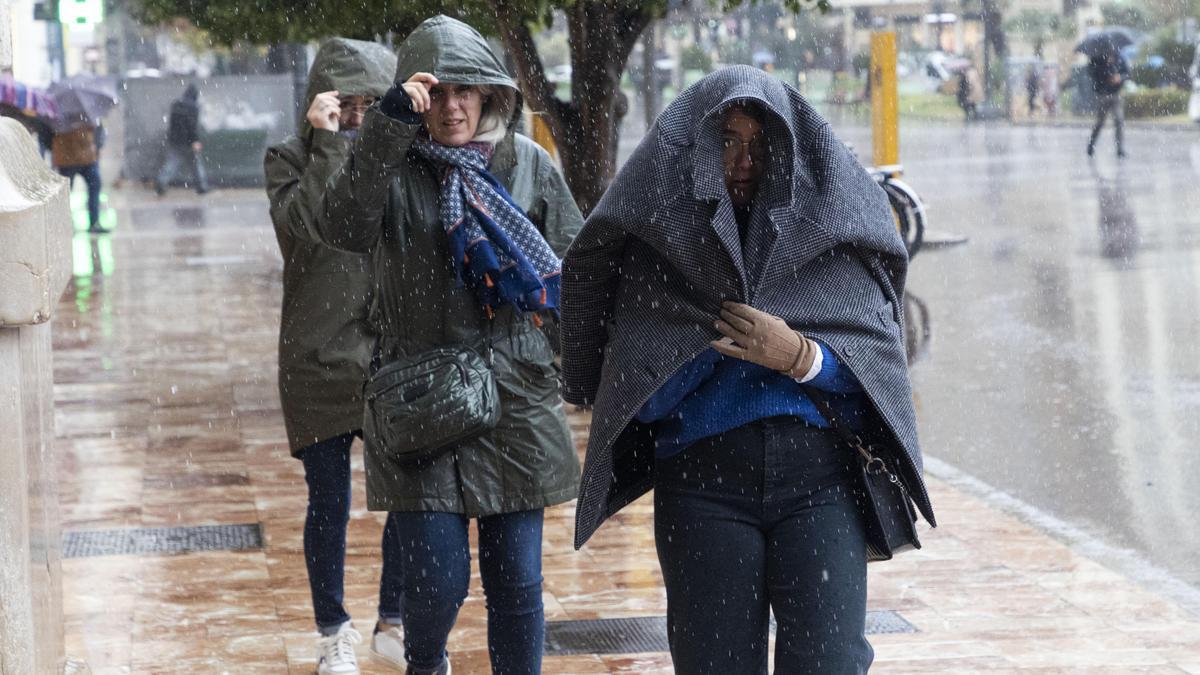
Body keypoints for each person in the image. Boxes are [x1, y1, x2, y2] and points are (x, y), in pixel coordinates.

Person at [561, 66, 935, 674]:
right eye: (728, 141)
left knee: (830, 662)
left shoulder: (828, 233)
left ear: (787, 149)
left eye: (760, 144)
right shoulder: (661, 245)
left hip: (821, 482)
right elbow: (635, 395)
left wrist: (799, 356)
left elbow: (875, 362)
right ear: (699, 150)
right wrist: (708, 342)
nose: (743, 160)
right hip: (703, 486)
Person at [312, 16, 583, 675]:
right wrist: (384, 129)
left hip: (515, 402)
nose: (454, 106)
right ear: (415, 99)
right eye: (438, 93)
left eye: (467, 90)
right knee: (437, 579)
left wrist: (580, 366)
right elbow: (342, 226)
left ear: (489, 95)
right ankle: (425, 662)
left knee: (517, 580)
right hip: (419, 404)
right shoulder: (389, 169)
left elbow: (575, 273)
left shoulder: (526, 164)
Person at [264, 38, 405, 675]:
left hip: (386, 355)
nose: (355, 115)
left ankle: (394, 621)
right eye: (345, 103)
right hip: (317, 359)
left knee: (406, 496)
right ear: (319, 100)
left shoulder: (397, 160)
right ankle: (332, 632)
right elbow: (311, 236)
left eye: (369, 104)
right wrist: (327, 146)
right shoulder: (289, 158)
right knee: (329, 505)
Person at [51, 121, 107, 233]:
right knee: (66, 194)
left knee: (67, 193)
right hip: (75, 157)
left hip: (76, 157)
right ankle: (90, 222)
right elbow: (98, 129)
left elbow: (98, 129)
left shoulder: (60, 115)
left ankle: (88, 222)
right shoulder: (84, 112)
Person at [155, 83, 210, 195]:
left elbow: (172, 124)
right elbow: (192, 126)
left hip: (175, 140)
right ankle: (201, 186)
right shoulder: (194, 107)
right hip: (189, 141)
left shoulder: (176, 105)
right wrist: (195, 141)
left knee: (172, 163)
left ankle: (161, 181)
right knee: (196, 165)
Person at [1087, 45, 1130, 158]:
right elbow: (1092, 73)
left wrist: (1120, 77)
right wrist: (1107, 70)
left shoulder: (1120, 59)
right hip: (1103, 94)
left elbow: (1127, 73)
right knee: (1100, 122)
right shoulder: (1097, 59)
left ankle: (1120, 149)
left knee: (1119, 121)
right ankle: (1091, 145)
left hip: (1116, 94)